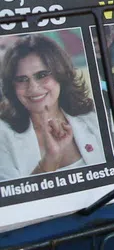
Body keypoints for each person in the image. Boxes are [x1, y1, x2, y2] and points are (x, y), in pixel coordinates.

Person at [0, 35, 105, 181]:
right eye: (22, 79)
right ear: (12, 86)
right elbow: (13, 202)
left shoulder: (94, 117)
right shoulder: (3, 135)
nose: (33, 87)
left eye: (42, 75)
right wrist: (50, 160)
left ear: (60, 74)